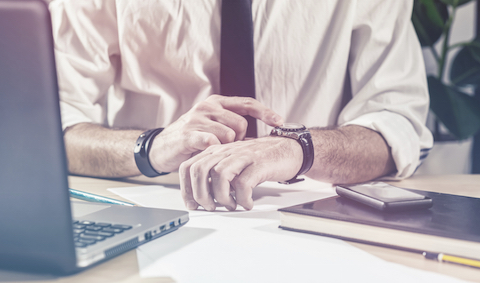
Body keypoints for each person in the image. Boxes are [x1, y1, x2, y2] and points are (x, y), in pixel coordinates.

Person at [49, 0, 433, 211]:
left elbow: (398, 123)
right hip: (149, 208)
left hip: (306, 214)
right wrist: (151, 146)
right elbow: (45, 127)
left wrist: (299, 148)